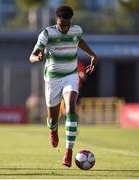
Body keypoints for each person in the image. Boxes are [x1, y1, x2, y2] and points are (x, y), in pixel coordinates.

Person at [29, 5, 97, 168]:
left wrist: (92, 54)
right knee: (53, 118)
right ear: (56, 21)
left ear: (70, 21)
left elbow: (79, 40)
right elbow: (32, 55)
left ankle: (68, 152)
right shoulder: (47, 33)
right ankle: (53, 130)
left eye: (67, 24)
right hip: (53, 79)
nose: (65, 28)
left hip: (70, 76)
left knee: (71, 108)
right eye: (61, 24)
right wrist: (36, 58)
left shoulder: (76, 30)